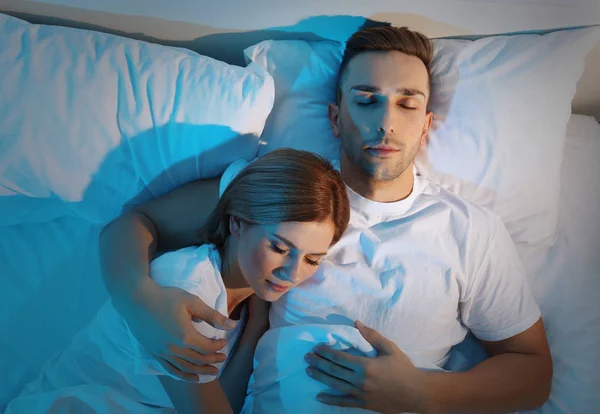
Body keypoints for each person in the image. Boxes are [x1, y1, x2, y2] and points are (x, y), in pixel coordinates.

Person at [98, 26, 553, 414]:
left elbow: (534, 372)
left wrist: (424, 393)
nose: (386, 122)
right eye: (367, 100)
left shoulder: (470, 230)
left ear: (427, 123)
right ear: (335, 118)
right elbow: (138, 223)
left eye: (406, 104)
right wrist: (137, 297)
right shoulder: (280, 189)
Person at [6, 149, 350, 414]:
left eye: (311, 260)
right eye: (278, 247)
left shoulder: (247, 303)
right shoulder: (188, 286)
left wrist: (256, 327)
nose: (292, 273)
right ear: (237, 224)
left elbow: (221, 400)